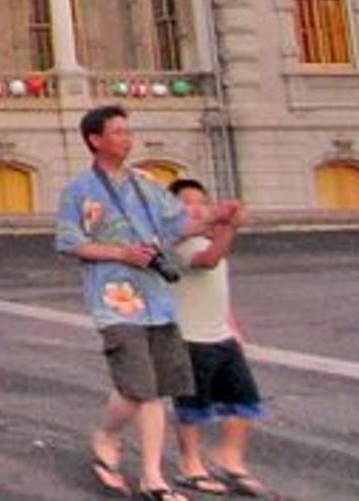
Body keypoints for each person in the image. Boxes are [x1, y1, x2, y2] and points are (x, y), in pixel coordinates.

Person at [57, 105, 238, 501]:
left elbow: (178, 224)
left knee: (156, 389)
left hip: (158, 298)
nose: (127, 138)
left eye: (128, 131)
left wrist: (216, 217)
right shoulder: (79, 192)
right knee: (138, 388)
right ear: (95, 140)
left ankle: (153, 476)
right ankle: (106, 436)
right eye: (118, 132)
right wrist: (120, 254)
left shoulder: (146, 185)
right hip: (116, 303)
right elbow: (70, 243)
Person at [166, 179, 266, 498]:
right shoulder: (174, 244)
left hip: (220, 336)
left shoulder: (204, 239)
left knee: (243, 401)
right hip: (189, 338)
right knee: (192, 407)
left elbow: (217, 289)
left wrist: (232, 324)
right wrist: (227, 226)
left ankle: (231, 459)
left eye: (201, 201)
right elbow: (210, 259)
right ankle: (190, 464)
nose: (195, 207)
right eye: (186, 202)